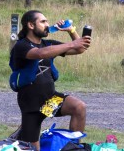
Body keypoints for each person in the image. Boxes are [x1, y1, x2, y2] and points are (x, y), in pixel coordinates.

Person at [10, 10, 92, 150]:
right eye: (43, 22)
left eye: (47, 21)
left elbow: (80, 49)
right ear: (30, 25)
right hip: (32, 106)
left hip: (50, 100)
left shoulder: (48, 44)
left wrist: (71, 30)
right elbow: (39, 53)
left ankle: (74, 148)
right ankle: (20, 135)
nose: (47, 24)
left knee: (79, 107)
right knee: (33, 148)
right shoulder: (21, 46)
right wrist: (72, 44)